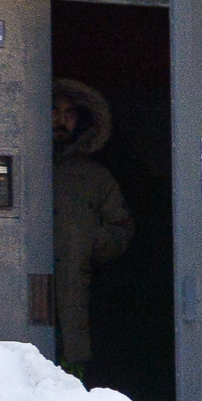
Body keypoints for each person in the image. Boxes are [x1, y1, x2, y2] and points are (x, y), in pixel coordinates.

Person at [51, 78, 133, 375]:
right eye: (53, 109)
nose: (60, 119)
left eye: (70, 112)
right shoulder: (23, 164)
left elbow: (122, 230)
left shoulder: (95, 177)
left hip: (78, 302)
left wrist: (88, 242)